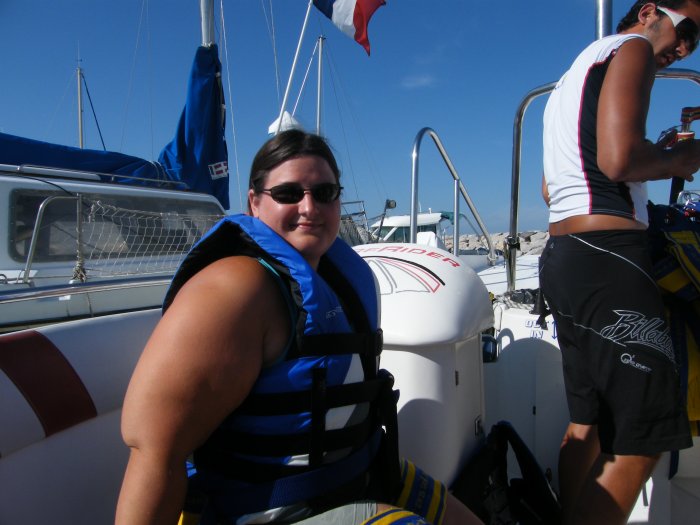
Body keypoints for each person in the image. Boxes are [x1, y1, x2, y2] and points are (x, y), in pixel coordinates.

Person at [115, 129, 482, 525]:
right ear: (254, 203)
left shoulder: (340, 278)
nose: (309, 207)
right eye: (288, 193)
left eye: (324, 193)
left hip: (357, 475)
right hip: (261, 511)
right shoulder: (233, 291)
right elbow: (154, 450)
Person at [540, 2, 700, 524]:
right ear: (650, 11)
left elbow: (552, 188)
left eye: (695, 44)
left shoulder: (572, 75)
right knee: (642, 440)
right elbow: (617, 160)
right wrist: (681, 159)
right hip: (609, 259)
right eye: (686, 29)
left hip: (564, 258)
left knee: (587, 425)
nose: (685, 48)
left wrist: (653, 152)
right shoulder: (633, 48)